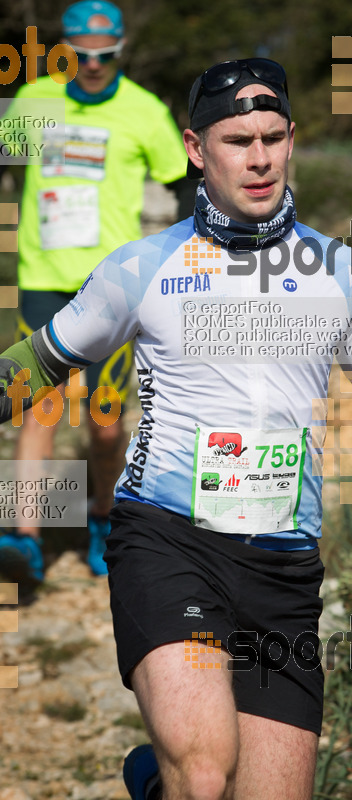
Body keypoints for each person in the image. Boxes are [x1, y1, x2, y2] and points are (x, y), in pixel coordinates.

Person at [0, 58, 352, 800]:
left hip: (282, 564)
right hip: (166, 537)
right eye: (236, 140)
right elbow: (40, 361)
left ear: (291, 139)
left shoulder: (340, 272)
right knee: (204, 773)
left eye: (271, 137)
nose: (257, 159)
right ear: (196, 149)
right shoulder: (142, 268)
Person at [0, 0, 194, 584]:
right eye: (81, 55)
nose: (92, 66)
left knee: (105, 422)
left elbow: (185, 183)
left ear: (120, 50)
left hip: (113, 289)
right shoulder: (32, 101)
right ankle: (23, 539)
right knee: (36, 410)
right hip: (40, 279)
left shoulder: (142, 110)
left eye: (103, 56)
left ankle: (102, 518)